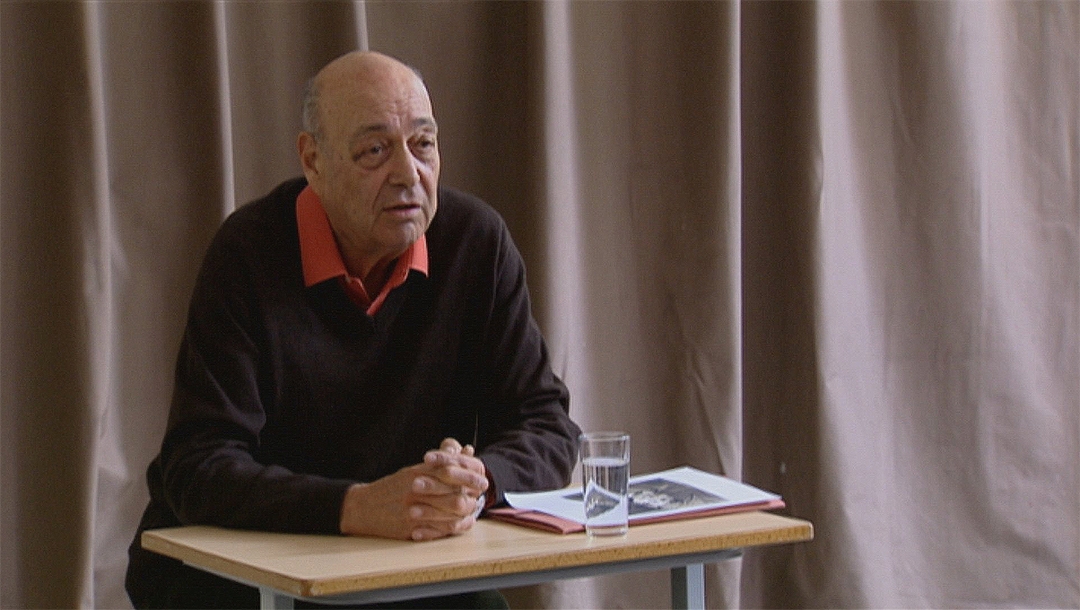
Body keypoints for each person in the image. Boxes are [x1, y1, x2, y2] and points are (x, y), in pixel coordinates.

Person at [125, 50, 581, 609]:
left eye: (424, 144)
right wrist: (356, 507)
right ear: (312, 161)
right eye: (374, 151)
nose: (409, 174)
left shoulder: (475, 244)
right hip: (241, 562)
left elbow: (546, 422)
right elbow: (198, 467)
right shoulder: (247, 254)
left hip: (398, 561)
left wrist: (473, 482)